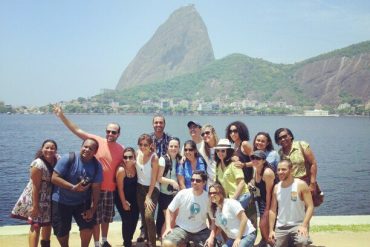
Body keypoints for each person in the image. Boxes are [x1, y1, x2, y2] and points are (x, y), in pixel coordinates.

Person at [54, 105, 124, 247]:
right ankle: (97, 242)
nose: (110, 134)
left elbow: (128, 161)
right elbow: (77, 130)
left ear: (118, 134)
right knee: (95, 218)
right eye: (108, 131)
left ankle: (104, 241)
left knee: (106, 218)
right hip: (93, 188)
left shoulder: (121, 148)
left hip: (110, 188)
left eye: (114, 132)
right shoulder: (95, 141)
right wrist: (62, 116)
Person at [51, 138, 103, 247]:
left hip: (82, 202)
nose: (87, 150)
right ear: (81, 147)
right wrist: (73, 187)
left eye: (91, 148)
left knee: (87, 227)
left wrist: (93, 209)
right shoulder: (68, 158)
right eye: (85, 146)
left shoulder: (97, 166)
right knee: (62, 231)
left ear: (95, 152)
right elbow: (54, 178)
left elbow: (96, 188)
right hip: (61, 201)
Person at [11, 139, 58, 247]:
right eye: (47, 147)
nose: (49, 150)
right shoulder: (37, 164)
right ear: (42, 149)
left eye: (52, 148)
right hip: (37, 197)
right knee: (36, 225)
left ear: (56, 150)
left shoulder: (57, 159)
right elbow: (35, 187)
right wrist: (35, 206)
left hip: (50, 197)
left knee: (47, 224)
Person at [268, 159, 314, 247]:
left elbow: (310, 207)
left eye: (284, 169)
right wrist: (271, 230)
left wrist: (304, 225)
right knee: (272, 244)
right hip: (281, 226)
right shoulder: (276, 187)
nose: (280, 172)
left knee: (302, 242)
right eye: (278, 170)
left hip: (298, 224)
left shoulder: (301, 185)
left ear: (291, 170)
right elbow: (272, 210)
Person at [162, 170, 210, 247]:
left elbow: (212, 218)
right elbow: (169, 210)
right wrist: (168, 227)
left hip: (201, 230)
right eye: (192, 180)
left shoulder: (208, 198)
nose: (194, 182)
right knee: (167, 243)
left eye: (198, 180)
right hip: (182, 228)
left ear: (204, 182)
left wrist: (211, 236)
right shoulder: (183, 193)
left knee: (212, 244)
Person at [227, 121, 257, 227]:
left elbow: (256, 161)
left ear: (241, 131)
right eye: (230, 131)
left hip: (247, 185)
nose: (233, 133)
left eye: (235, 131)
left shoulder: (244, 144)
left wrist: (244, 164)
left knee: (250, 215)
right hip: (238, 186)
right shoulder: (232, 147)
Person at [207, 183, 256, 247]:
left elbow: (244, 219)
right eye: (210, 193)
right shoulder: (217, 211)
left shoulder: (230, 203)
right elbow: (219, 227)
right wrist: (211, 238)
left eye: (214, 193)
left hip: (247, 235)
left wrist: (238, 238)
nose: (212, 195)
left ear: (221, 193)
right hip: (233, 239)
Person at [136, 134, 160, 247]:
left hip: (152, 189)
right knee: (143, 215)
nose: (142, 147)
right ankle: (146, 239)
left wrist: (148, 196)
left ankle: (152, 243)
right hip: (139, 188)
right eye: (140, 144)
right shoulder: (137, 153)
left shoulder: (154, 158)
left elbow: (154, 179)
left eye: (145, 145)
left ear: (150, 145)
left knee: (149, 216)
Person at [156, 137, 182, 238]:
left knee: (174, 218)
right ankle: (164, 239)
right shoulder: (163, 159)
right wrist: (171, 181)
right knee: (169, 220)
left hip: (175, 194)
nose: (173, 148)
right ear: (167, 147)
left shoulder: (179, 159)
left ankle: (168, 238)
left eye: (176, 146)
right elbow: (159, 178)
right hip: (164, 195)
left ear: (179, 148)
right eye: (171, 146)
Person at [249, 150, 276, 247]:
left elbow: (270, 193)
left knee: (263, 224)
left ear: (264, 160)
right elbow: (255, 182)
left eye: (258, 158)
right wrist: (251, 184)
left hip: (270, 201)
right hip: (261, 200)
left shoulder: (267, 172)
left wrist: (267, 210)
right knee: (264, 225)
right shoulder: (256, 169)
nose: (255, 160)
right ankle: (266, 242)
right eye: (253, 158)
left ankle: (271, 244)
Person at [214, 138, 250, 209]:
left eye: (223, 151)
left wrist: (233, 200)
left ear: (228, 151)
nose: (220, 153)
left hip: (242, 196)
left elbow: (241, 183)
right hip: (231, 198)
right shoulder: (217, 166)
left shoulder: (234, 164)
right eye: (218, 150)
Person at [114, 147, 139, 247]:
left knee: (135, 218)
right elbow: (120, 189)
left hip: (134, 198)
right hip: (121, 197)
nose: (127, 159)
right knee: (127, 220)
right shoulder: (121, 170)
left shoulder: (136, 167)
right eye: (125, 157)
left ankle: (129, 238)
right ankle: (127, 243)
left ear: (134, 157)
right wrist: (124, 203)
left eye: (130, 157)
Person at [199, 124, 219, 188]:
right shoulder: (203, 150)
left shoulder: (221, 147)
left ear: (213, 133)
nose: (205, 135)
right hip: (210, 184)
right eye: (203, 134)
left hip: (221, 181)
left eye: (207, 133)